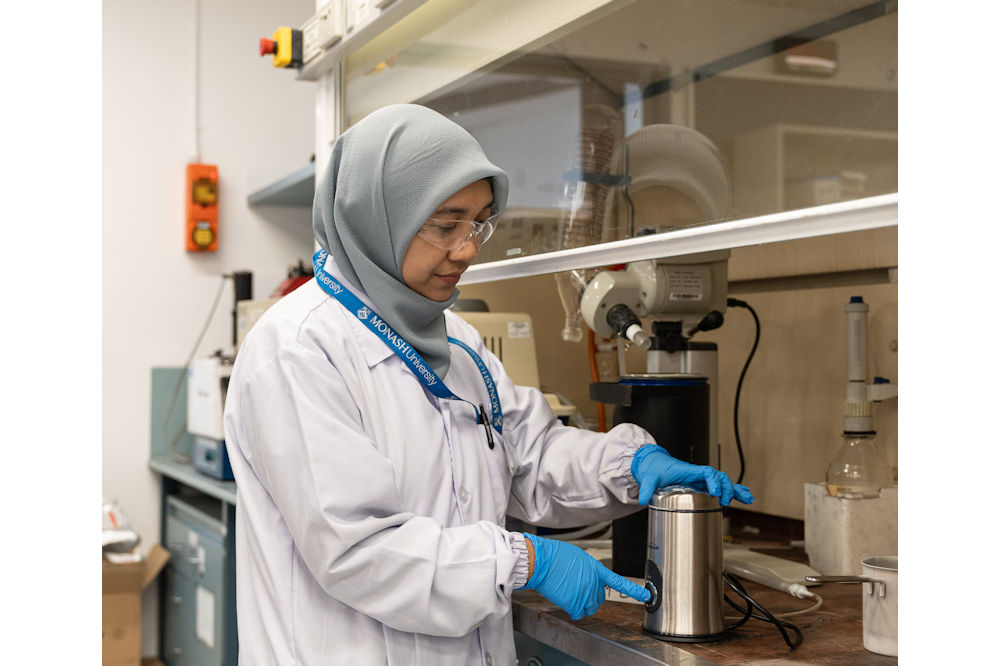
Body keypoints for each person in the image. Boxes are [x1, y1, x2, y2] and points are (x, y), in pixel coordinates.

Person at [223, 103, 753, 665]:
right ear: (375, 216)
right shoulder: (298, 350)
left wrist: (629, 467)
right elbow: (359, 551)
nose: (469, 248)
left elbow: (530, 457)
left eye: (479, 223)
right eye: (445, 224)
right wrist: (525, 561)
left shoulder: (455, 341)